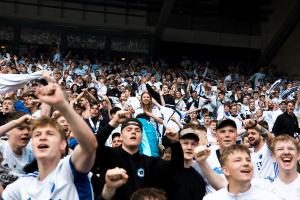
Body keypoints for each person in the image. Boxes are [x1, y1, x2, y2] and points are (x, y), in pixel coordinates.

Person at [2, 83, 98, 199]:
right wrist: (15, 123)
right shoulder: (21, 185)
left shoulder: (69, 170)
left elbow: (89, 147)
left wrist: (63, 106)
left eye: (50, 134)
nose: (42, 137)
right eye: (37, 135)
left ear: (63, 144)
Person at [95, 111, 183, 200]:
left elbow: (177, 168)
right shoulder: (108, 155)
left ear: (141, 138)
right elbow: (93, 146)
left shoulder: (151, 163)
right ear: (121, 137)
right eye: (129, 130)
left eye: (137, 130)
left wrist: (175, 142)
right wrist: (113, 123)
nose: (133, 132)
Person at [203, 144, 280, 200]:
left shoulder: (270, 197)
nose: (246, 163)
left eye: (248, 160)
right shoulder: (211, 199)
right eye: (238, 160)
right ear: (226, 170)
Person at [267, 135, 300, 199]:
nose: (286, 152)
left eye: (290, 148)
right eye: (280, 149)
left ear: (298, 155)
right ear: (273, 156)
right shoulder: (266, 187)